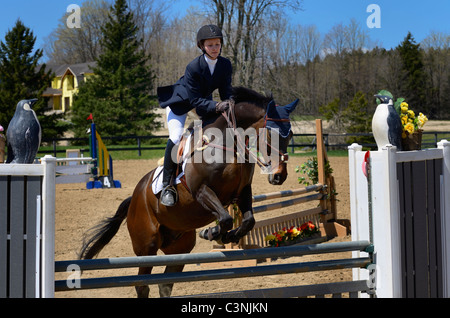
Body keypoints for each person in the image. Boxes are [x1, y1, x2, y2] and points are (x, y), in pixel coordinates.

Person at [156, 24, 233, 206]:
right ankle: (167, 186)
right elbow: (195, 101)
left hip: (203, 103)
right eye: (210, 45)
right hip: (181, 104)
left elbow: (226, 91)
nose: (215, 48)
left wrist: (230, 103)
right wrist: (217, 105)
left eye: (217, 44)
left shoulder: (225, 64)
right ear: (202, 47)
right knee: (176, 137)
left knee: (215, 127)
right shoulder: (193, 67)